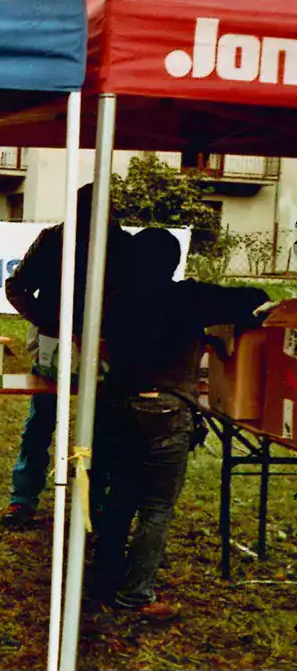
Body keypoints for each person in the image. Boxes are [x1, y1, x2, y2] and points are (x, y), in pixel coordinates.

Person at [92, 228, 268, 617]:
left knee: (119, 499)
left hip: (119, 406)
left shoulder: (114, 300)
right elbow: (256, 301)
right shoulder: (188, 297)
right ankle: (136, 594)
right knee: (156, 506)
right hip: (168, 411)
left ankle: (104, 583)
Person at [0, 183, 131, 529]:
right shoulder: (53, 240)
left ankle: (96, 499)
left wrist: (110, 330)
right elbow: (17, 287)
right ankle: (23, 497)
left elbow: (134, 297)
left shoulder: (122, 244)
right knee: (41, 420)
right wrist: (54, 323)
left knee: (103, 423)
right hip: (54, 344)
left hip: (106, 345)